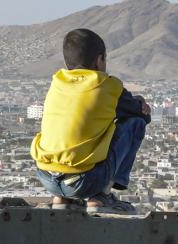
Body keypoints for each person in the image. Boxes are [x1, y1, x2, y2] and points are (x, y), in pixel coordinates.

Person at [30, 28, 151, 214]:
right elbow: (142, 115)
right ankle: (101, 197)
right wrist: (140, 102)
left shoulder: (57, 83)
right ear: (99, 59)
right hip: (85, 182)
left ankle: (62, 200)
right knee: (135, 123)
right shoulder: (106, 85)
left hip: (46, 177)